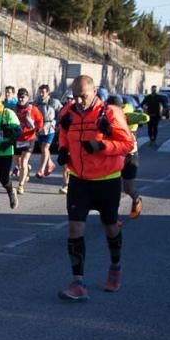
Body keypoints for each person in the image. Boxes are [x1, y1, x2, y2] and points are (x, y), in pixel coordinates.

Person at [54, 76, 134, 301]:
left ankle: (115, 266)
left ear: (95, 91)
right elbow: (63, 133)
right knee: (74, 229)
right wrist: (62, 148)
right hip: (79, 180)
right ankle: (78, 283)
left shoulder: (110, 114)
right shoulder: (68, 113)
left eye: (84, 95)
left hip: (107, 180)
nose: (79, 100)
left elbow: (127, 144)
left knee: (110, 227)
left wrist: (102, 146)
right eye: (76, 96)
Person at [107, 96, 148, 220]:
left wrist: (129, 118)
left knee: (128, 188)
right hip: (116, 155)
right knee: (113, 187)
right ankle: (113, 215)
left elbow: (145, 117)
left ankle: (136, 199)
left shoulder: (127, 115)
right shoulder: (108, 117)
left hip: (130, 156)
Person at [12, 88, 43, 194]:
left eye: (23, 97)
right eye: (19, 96)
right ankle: (26, 169)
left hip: (29, 139)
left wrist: (36, 128)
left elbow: (40, 121)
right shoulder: (14, 108)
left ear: (27, 98)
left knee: (24, 161)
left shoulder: (32, 109)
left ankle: (20, 185)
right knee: (17, 162)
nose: (21, 99)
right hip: (17, 138)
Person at [33, 84, 62, 178]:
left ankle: (41, 170)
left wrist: (57, 123)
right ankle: (50, 164)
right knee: (43, 149)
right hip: (40, 128)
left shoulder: (54, 102)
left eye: (43, 92)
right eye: (40, 92)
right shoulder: (36, 102)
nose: (41, 94)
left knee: (45, 148)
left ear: (48, 92)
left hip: (50, 127)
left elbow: (62, 111)